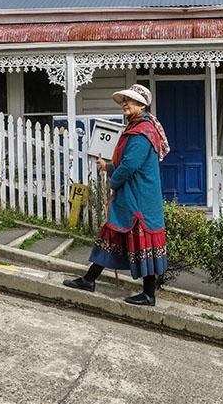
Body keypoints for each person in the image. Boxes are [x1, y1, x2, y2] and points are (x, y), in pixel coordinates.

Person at [63, 84, 170, 305]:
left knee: (143, 243)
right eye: (123, 100)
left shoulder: (142, 132)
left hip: (138, 199)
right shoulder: (137, 127)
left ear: (142, 105)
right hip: (132, 196)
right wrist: (108, 166)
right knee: (111, 236)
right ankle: (89, 279)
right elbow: (127, 162)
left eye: (129, 100)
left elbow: (130, 166)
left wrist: (114, 179)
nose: (124, 103)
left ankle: (149, 294)